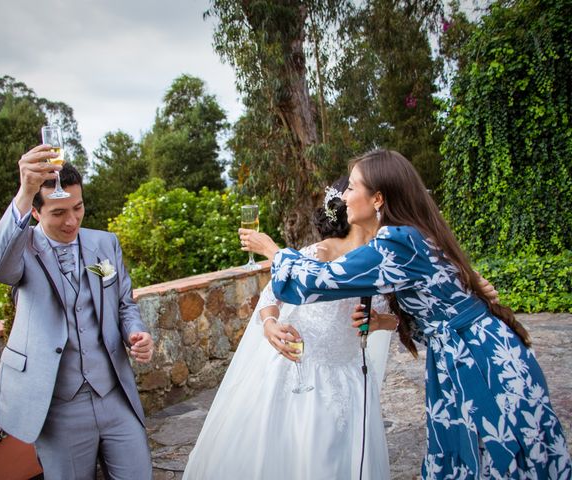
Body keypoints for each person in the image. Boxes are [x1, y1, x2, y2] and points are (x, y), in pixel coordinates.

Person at [241, 149, 572, 479]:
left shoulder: (397, 242)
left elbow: (323, 280)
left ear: (378, 199)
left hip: (477, 364)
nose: (344, 197)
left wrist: (273, 250)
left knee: (494, 457)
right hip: (487, 351)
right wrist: (391, 321)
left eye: (353, 187)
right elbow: (437, 303)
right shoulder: (415, 232)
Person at [183, 176, 394, 479]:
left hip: (350, 378)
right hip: (295, 374)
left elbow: (403, 318)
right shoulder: (317, 254)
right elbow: (271, 297)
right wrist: (270, 325)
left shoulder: (387, 260)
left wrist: (381, 321)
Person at [0, 144, 154, 479]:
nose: (72, 220)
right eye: (58, 213)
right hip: (59, 405)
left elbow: (123, 303)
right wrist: (25, 191)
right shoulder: (23, 249)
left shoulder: (105, 244)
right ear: (36, 213)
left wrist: (136, 331)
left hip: (114, 394)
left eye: (78, 208)